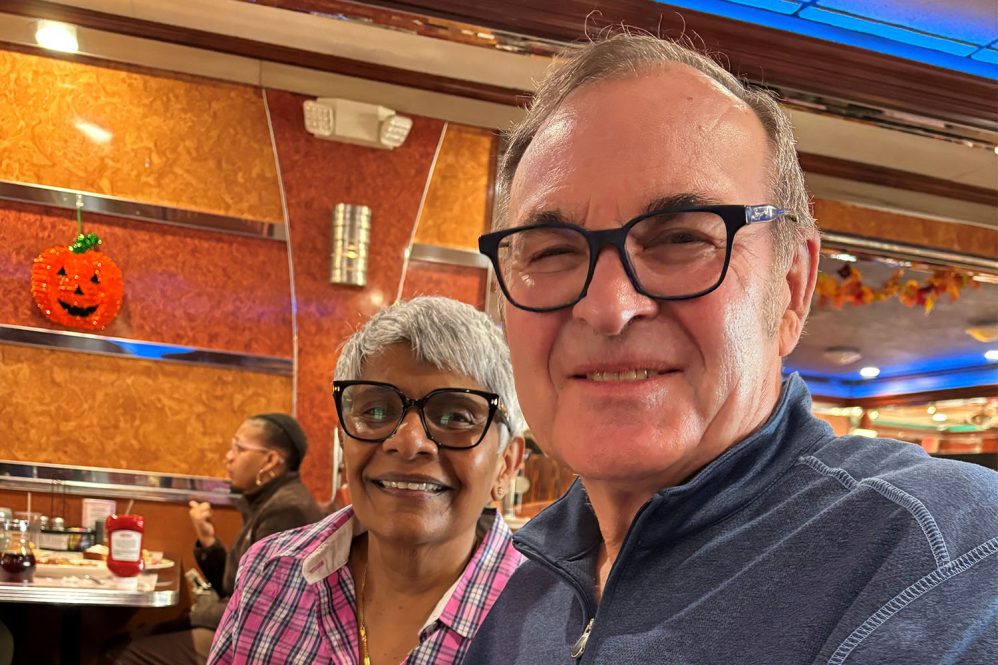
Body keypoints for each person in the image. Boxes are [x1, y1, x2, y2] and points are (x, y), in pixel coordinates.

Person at [466, 33, 998, 664]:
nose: (607, 307)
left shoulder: (941, 558)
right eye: (551, 250)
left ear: (792, 287)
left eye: (681, 239)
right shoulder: (524, 587)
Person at [208, 296, 526, 664]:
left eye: (455, 416)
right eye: (375, 410)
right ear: (343, 441)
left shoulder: (552, 627)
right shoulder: (271, 572)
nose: (408, 443)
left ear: (506, 464)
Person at [109, 413, 322, 665]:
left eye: (239, 448)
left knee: (125, 655)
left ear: (271, 460)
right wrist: (208, 540)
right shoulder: (267, 501)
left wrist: (194, 614)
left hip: (257, 640)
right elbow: (237, 585)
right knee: (121, 643)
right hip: (242, 625)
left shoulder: (287, 509)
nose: (229, 456)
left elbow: (258, 606)